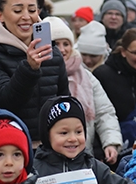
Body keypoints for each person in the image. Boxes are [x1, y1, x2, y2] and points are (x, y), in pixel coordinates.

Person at [0, 0, 68, 144]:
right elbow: (4, 102)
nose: (26, 16)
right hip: (8, 147)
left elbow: (64, 102)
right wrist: (29, 69)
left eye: (32, 10)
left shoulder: (51, 52)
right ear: (0, 15)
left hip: (51, 148)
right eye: (17, 10)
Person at [45, 16, 121, 164]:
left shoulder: (86, 76)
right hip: (47, 159)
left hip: (83, 157)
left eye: (66, 43)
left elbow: (104, 113)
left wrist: (111, 142)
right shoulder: (35, 75)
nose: (62, 49)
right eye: (55, 43)